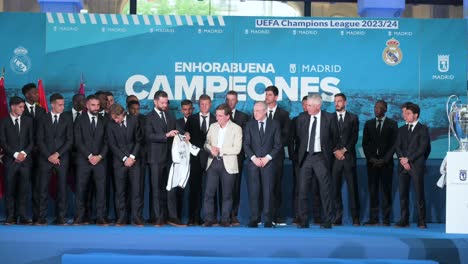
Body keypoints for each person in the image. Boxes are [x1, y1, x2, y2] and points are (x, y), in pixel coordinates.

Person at [146, 91, 189, 227]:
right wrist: (166, 135)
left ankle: (172, 216)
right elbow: (149, 136)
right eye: (162, 103)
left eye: (166, 102)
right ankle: (158, 217)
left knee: (171, 188)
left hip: (170, 159)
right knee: (157, 188)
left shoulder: (170, 115)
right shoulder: (149, 117)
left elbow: (178, 129)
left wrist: (185, 133)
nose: (165, 105)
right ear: (155, 102)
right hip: (155, 159)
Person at [296, 94, 339, 229]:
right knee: (302, 190)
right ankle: (303, 220)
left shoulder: (330, 118)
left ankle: (327, 220)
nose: (306, 107)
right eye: (307, 105)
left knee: (325, 190)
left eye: (309, 105)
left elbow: (335, 137)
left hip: (321, 157)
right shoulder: (302, 118)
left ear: (318, 106)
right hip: (306, 157)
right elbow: (298, 138)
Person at [202, 104, 242, 227]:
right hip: (213, 162)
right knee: (209, 193)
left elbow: (237, 149)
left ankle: (225, 219)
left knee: (227, 194)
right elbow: (206, 144)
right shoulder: (213, 127)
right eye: (217, 115)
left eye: (220, 115)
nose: (217, 117)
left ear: (228, 116)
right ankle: (209, 219)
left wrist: (220, 150)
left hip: (228, 164)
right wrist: (210, 148)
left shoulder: (236, 128)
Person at [36, 93, 73, 225]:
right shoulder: (43, 118)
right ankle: (41, 217)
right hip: (45, 158)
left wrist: (57, 154)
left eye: (63, 105)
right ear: (52, 104)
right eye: (60, 105)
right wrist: (49, 156)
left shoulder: (67, 119)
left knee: (62, 189)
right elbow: (39, 140)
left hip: (62, 158)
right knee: (42, 189)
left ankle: (61, 217)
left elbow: (70, 140)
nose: (62, 107)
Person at [244, 101, 282, 228]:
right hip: (253, 163)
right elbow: (246, 144)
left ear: (265, 111)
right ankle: (254, 218)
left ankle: (268, 219)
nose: (255, 113)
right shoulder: (249, 125)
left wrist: (267, 158)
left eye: (259, 111)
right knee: (254, 192)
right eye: (254, 111)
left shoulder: (275, 124)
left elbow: (278, 145)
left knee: (268, 192)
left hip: (269, 163)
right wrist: (254, 158)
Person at [73, 95, 109, 226]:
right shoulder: (79, 119)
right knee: (81, 190)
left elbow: (107, 141)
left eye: (98, 105)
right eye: (93, 105)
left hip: (100, 161)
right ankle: (80, 217)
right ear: (87, 106)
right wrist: (89, 156)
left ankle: (101, 217)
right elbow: (78, 141)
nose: (96, 108)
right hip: (84, 161)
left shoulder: (105, 120)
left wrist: (99, 156)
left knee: (101, 190)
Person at [107, 103, 144, 227]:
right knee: (120, 191)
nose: (115, 121)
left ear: (123, 114)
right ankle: (121, 218)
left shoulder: (134, 120)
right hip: (119, 162)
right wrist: (124, 158)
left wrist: (132, 157)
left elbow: (139, 141)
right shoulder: (110, 124)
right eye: (113, 118)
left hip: (135, 161)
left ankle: (136, 218)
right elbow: (112, 145)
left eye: (117, 118)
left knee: (136, 191)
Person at [362, 100, 398, 226]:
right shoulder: (368, 124)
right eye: (375, 107)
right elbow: (365, 144)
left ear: (385, 109)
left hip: (386, 164)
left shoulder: (392, 124)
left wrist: (384, 160)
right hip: (371, 164)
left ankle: (386, 219)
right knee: (373, 191)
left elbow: (394, 145)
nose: (376, 109)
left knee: (386, 191)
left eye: (379, 107)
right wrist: (371, 159)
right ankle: (373, 218)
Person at [394, 103, 430, 229]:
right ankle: (404, 219)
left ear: (416, 115)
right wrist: (403, 161)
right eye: (405, 113)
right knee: (403, 194)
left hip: (416, 166)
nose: (405, 115)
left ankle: (421, 221)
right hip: (402, 166)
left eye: (408, 113)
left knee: (419, 194)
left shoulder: (423, 129)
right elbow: (397, 147)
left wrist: (409, 160)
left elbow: (423, 148)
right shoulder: (401, 129)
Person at [0, 96, 34, 225]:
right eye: (20, 107)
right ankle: (10, 216)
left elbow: (32, 141)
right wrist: (15, 154)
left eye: (23, 107)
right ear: (12, 107)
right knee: (10, 189)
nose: (22, 109)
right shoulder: (3, 122)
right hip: (10, 161)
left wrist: (23, 153)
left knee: (24, 190)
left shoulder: (28, 121)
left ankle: (23, 216)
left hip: (25, 161)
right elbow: (3, 141)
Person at [289, 96, 322, 225]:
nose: (306, 106)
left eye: (308, 104)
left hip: (316, 158)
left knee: (316, 188)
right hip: (300, 160)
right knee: (299, 189)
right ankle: (299, 216)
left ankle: (317, 216)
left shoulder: (320, 119)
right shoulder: (297, 120)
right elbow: (291, 140)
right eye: (304, 104)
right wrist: (294, 157)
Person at [185, 94, 216, 226]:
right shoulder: (191, 119)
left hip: (212, 158)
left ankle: (211, 218)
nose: (204, 106)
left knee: (211, 189)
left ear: (211, 104)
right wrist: (186, 135)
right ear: (198, 105)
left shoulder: (216, 119)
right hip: (195, 158)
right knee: (195, 188)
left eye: (206, 104)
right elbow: (186, 135)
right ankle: (194, 218)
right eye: (202, 104)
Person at [331, 93, 360, 226]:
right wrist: (335, 151)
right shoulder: (329, 118)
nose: (337, 103)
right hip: (334, 159)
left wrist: (344, 150)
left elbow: (354, 138)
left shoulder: (353, 118)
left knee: (352, 189)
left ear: (345, 103)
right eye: (335, 101)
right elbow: (327, 138)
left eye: (339, 101)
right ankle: (337, 217)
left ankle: (355, 218)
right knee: (335, 189)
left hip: (348, 158)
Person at [264, 85, 290, 225]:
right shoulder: (260, 112)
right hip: (261, 158)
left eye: (269, 95)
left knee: (276, 186)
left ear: (275, 97)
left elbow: (286, 136)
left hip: (277, 157)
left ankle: (276, 215)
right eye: (266, 94)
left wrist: (273, 150)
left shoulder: (284, 115)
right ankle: (265, 215)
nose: (266, 97)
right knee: (263, 186)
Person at [21, 82, 46, 224]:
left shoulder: (41, 111)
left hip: (39, 155)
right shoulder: (20, 109)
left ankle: (38, 216)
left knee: (38, 187)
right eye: (35, 93)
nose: (38, 95)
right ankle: (23, 216)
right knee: (23, 187)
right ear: (27, 95)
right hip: (23, 155)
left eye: (38, 92)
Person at [225, 91, 249, 225]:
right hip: (222, 158)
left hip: (237, 157)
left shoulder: (243, 117)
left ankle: (233, 214)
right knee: (222, 187)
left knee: (235, 186)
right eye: (228, 99)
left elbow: (245, 137)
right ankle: (223, 215)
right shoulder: (219, 116)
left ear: (237, 101)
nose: (230, 102)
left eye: (232, 100)